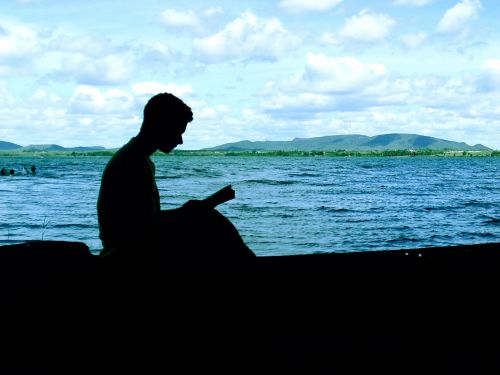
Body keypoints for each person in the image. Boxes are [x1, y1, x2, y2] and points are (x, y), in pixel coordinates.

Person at [97, 93, 255, 270]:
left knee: (207, 219)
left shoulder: (137, 158)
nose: (180, 140)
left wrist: (191, 211)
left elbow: (144, 221)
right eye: (178, 132)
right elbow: (141, 230)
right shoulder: (133, 163)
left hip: (133, 250)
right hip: (127, 257)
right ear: (160, 125)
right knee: (210, 222)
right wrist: (190, 212)